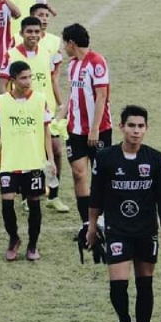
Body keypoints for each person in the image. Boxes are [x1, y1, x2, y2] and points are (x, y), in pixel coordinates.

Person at [87, 105, 161, 322]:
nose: (136, 131)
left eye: (141, 126)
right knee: (118, 286)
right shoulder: (105, 158)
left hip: (146, 231)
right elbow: (96, 195)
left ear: (146, 128)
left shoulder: (156, 159)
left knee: (145, 285)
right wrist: (92, 225)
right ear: (121, 127)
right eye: (131, 126)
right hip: (117, 229)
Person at [0, 61, 56, 261]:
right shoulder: (3, 101)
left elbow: (46, 132)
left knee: (35, 204)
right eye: (23, 78)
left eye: (30, 77)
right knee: (7, 204)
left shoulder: (40, 100)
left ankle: (33, 245)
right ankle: (14, 238)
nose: (28, 82)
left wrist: (50, 159)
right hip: (9, 162)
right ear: (13, 80)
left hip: (34, 162)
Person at [0, 16, 69, 213]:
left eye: (36, 32)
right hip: (22, 114)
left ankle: (53, 195)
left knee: (55, 151)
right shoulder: (11, 55)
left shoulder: (47, 53)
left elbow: (51, 80)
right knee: (26, 154)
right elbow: (3, 85)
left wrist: (59, 104)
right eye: (29, 32)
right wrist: (11, 107)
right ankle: (25, 196)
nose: (33, 35)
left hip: (45, 111)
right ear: (21, 33)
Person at [60, 23, 112, 233]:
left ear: (72, 43)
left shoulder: (97, 62)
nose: (64, 48)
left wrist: (94, 129)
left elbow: (101, 97)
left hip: (98, 130)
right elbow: (73, 95)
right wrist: (60, 116)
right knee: (78, 173)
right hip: (75, 130)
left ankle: (101, 221)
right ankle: (85, 223)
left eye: (65, 43)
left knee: (100, 176)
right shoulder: (72, 65)